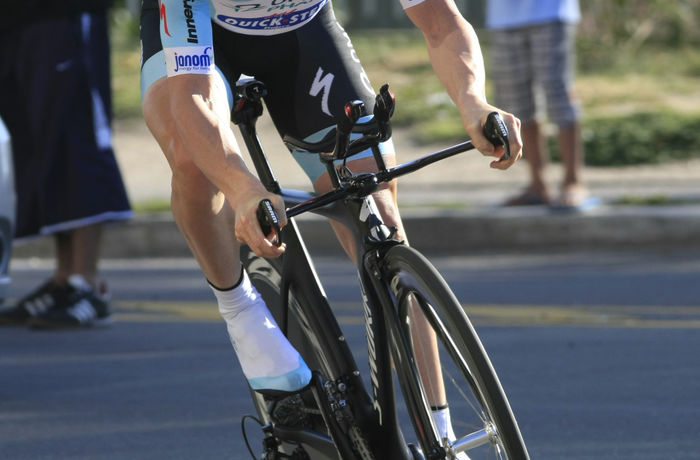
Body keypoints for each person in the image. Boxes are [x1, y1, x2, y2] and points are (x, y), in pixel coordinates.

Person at [139, 0, 522, 444]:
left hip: (303, 32)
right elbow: (193, 97)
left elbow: (442, 21)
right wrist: (242, 189)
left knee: (379, 211)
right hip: (203, 39)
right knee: (192, 161)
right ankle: (241, 313)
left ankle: (441, 433)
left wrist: (472, 100)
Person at [0, 2, 132, 328]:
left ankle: (87, 282)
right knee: (39, 150)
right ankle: (64, 279)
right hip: (14, 21)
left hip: (66, 12)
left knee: (77, 138)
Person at [487, 0, 589, 209]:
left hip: (550, 12)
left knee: (557, 93)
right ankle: (537, 185)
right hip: (503, 18)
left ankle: (573, 182)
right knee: (517, 102)